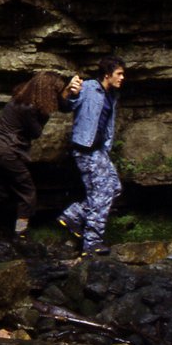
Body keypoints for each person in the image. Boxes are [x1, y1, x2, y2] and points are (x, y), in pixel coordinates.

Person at [0, 71, 83, 239]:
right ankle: (21, 232)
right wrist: (62, 97)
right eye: (55, 92)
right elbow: (36, 132)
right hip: (7, 153)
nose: (56, 96)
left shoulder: (21, 98)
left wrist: (69, 92)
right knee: (27, 192)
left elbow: (63, 106)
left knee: (0, 191)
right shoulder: (29, 108)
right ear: (47, 92)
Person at [57, 55, 125, 256]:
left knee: (114, 188)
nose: (122, 78)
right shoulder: (87, 87)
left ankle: (73, 215)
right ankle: (92, 242)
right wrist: (69, 92)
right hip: (85, 149)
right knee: (102, 193)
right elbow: (65, 106)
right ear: (107, 75)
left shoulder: (112, 95)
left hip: (99, 150)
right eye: (119, 74)